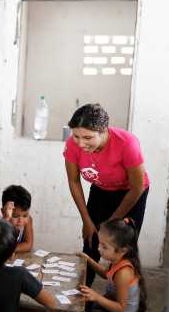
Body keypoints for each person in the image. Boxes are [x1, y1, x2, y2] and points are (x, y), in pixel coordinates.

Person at [63, 104, 149, 286]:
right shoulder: (73, 144)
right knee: (91, 242)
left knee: (122, 249)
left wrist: (111, 224)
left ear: (103, 131)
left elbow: (137, 187)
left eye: (87, 137)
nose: (80, 143)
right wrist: (87, 221)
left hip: (131, 192)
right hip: (101, 190)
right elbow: (74, 181)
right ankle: (82, 299)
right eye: (76, 136)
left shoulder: (127, 144)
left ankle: (125, 303)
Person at [78, 218, 147, 312]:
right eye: (99, 243)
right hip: (113, 306)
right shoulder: (117, 260)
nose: (99, 249)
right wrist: (88, 259)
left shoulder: (123, 273)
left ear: (122, 251)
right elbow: (106, 273)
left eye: (104, 247)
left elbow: (120, 309)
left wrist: (97, 297)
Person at [0, 185, 34, 253]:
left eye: (25, 215)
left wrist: (9, 250)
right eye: (15, 216)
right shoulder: (0, 225)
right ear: (3, 212)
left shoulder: (28, 220)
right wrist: (6, 219)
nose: (21, 221)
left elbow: (28, 245)